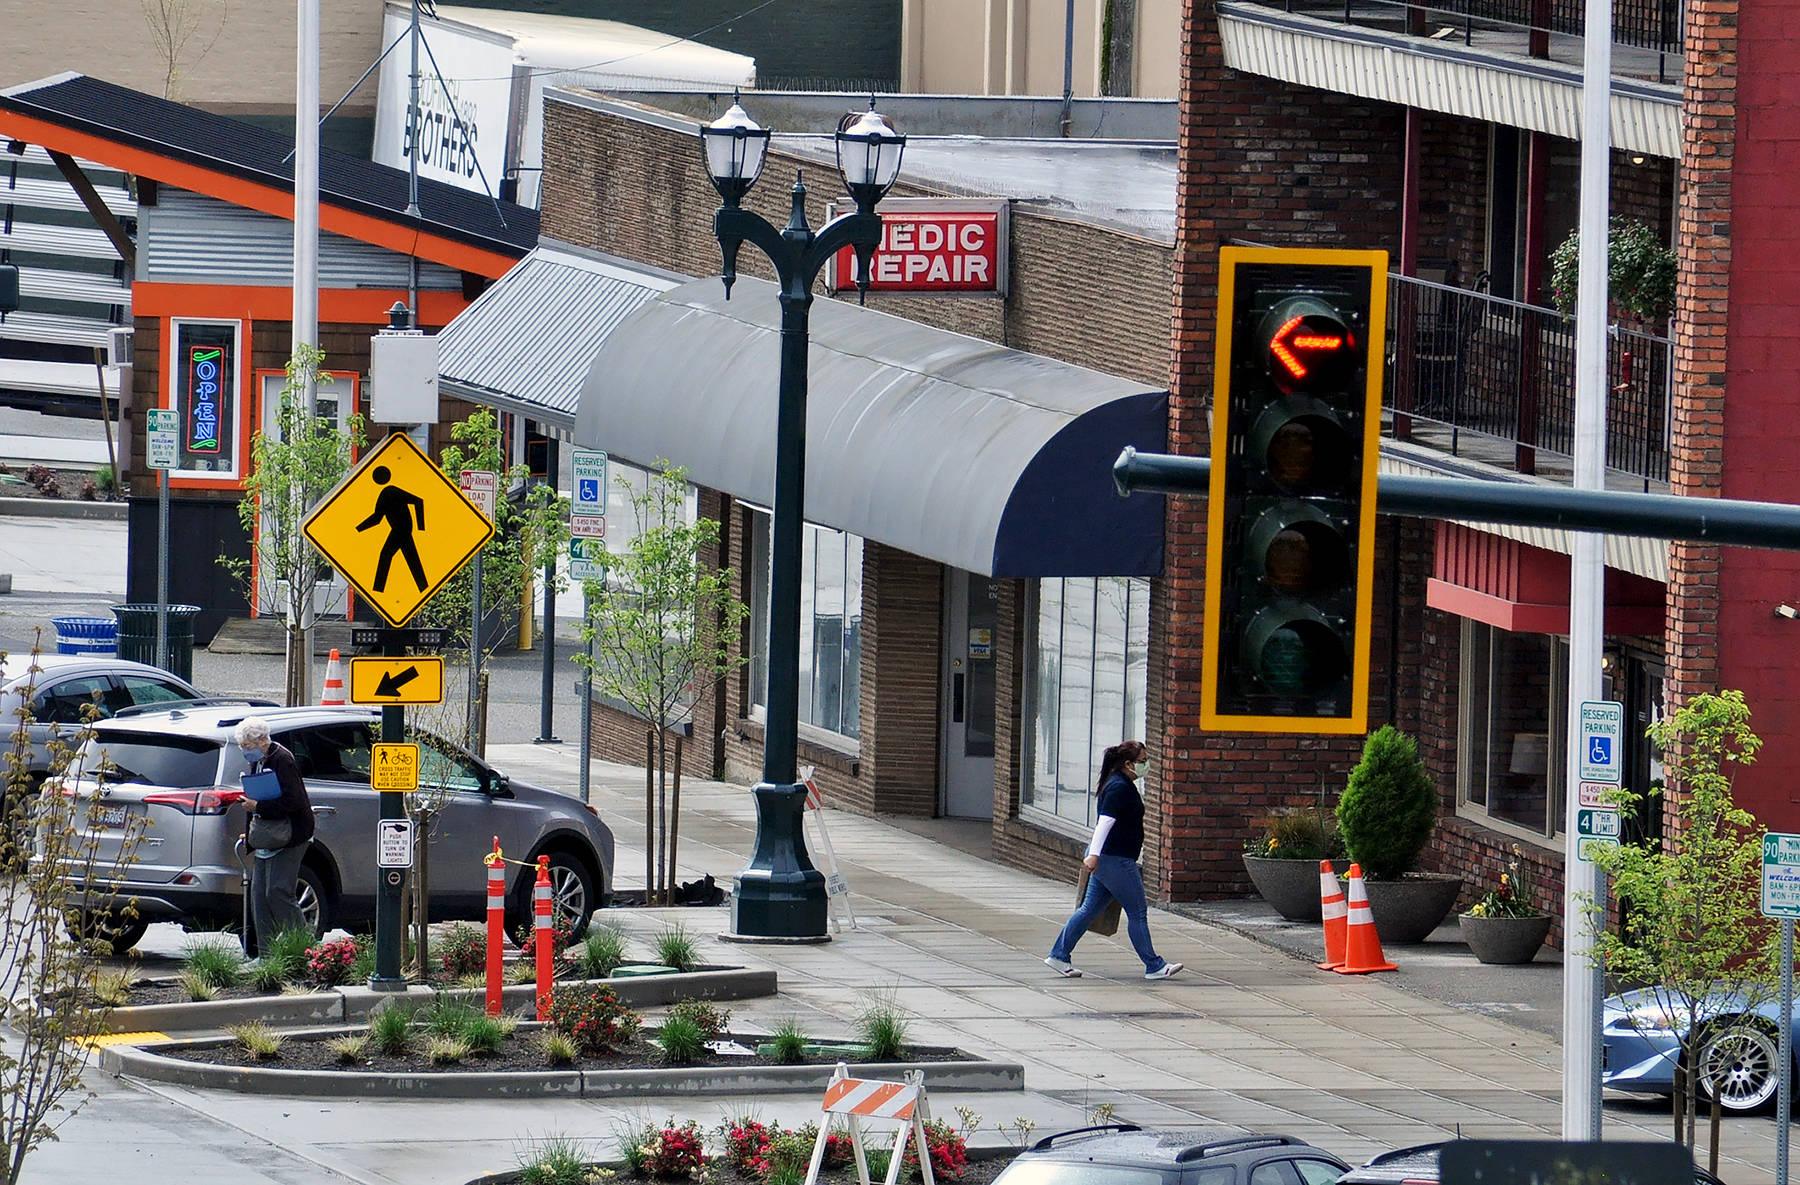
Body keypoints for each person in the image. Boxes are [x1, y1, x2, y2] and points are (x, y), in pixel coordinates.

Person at [1045, 740, 1183, 981]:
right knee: (1138, 911)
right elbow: (1105, 822)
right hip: (1114, 860)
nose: (1146, 766)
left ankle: (1058, 955)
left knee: (1088, 910)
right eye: (1142, 762)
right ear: (1128, 764)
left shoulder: (1121, 784)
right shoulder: (1119, 787)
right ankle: (1154, 966)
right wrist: (1094, 855)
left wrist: (1096, 856)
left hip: (1109, 859)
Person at [236, 718, 315, 953]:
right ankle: (267, 954)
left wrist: (258, 807)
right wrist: (252, 832)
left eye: (247, 746)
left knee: (278, 891)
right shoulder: (259, 760)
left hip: (290, 835)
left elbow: (293, 801)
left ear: (262, 740)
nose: (244, 751)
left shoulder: (283, 760)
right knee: (259, 896)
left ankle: (303, 949)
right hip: (266, 836)